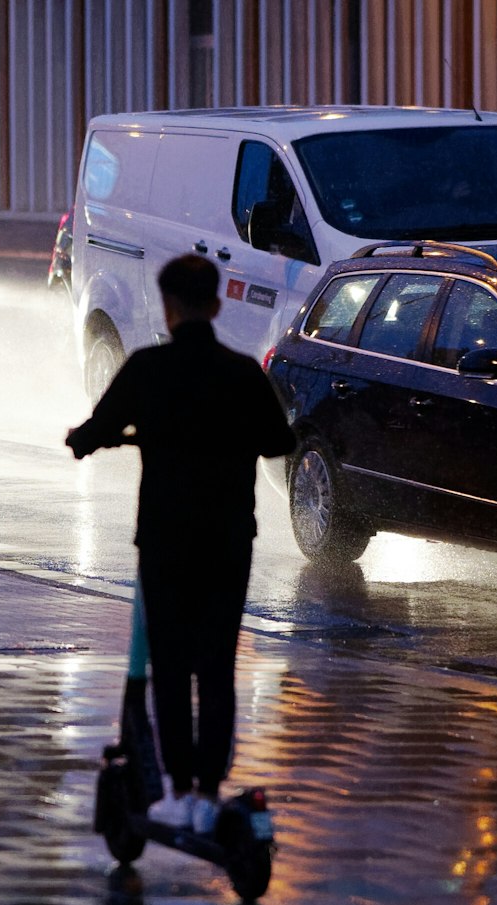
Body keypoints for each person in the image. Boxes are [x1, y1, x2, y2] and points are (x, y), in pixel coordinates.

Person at [66, 255, 296, 833]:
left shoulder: (147, 369)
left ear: (168, 310)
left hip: (166, 541)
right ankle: (210, 791)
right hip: (228, 541)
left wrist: (88, 439)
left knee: (169, 665)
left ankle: (179, 789)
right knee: (215, 665)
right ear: (216, 306)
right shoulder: (243, 374)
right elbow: (278, 441)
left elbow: (94, 431)